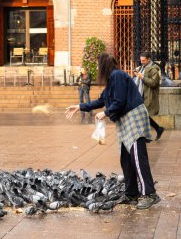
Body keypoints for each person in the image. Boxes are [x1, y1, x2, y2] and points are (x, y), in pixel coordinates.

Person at [65, 53, 160, 209]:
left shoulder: (118, 75)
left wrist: (106, 113)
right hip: (124, 120)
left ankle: (150, 194)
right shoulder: (111, 80)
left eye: (98, 66)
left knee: (137, 157)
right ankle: (131, 194)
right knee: (126, 157)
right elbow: (102, 100)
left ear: (104, 65)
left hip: (134, 118)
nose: (96, 69)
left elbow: (119, 101)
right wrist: (80, 106)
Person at [133, 52, 164, 141]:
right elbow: (139, 79)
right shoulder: (143, 67)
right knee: (143, 115)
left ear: (148, 59)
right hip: (141, 95)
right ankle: (157, 129)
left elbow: (154, 83)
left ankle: (148, 135)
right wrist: (137, 73)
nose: (141, 62)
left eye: (143, 60)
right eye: (141, 60)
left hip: (148, 96)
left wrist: (142, 77)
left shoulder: (154, 69)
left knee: (143, 115)